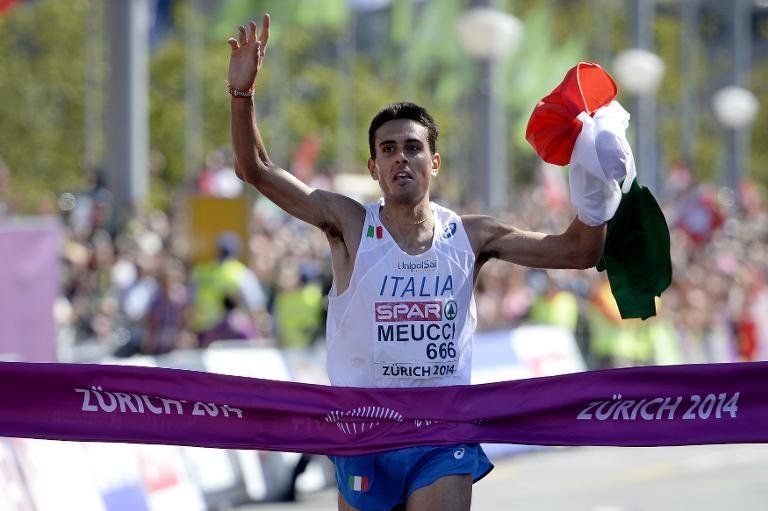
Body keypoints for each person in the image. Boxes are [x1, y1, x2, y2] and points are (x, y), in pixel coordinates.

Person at [227, 14, 606, 511]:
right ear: (373, 167)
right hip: (365, 429)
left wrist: (597, 182)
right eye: (388, 150)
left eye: (412, 148)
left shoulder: (472, 235)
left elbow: (578, 251)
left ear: (434, 162)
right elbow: (255, 170)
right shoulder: (349, 223)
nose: (400, 158)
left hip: (442, 430)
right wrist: (243, 94)